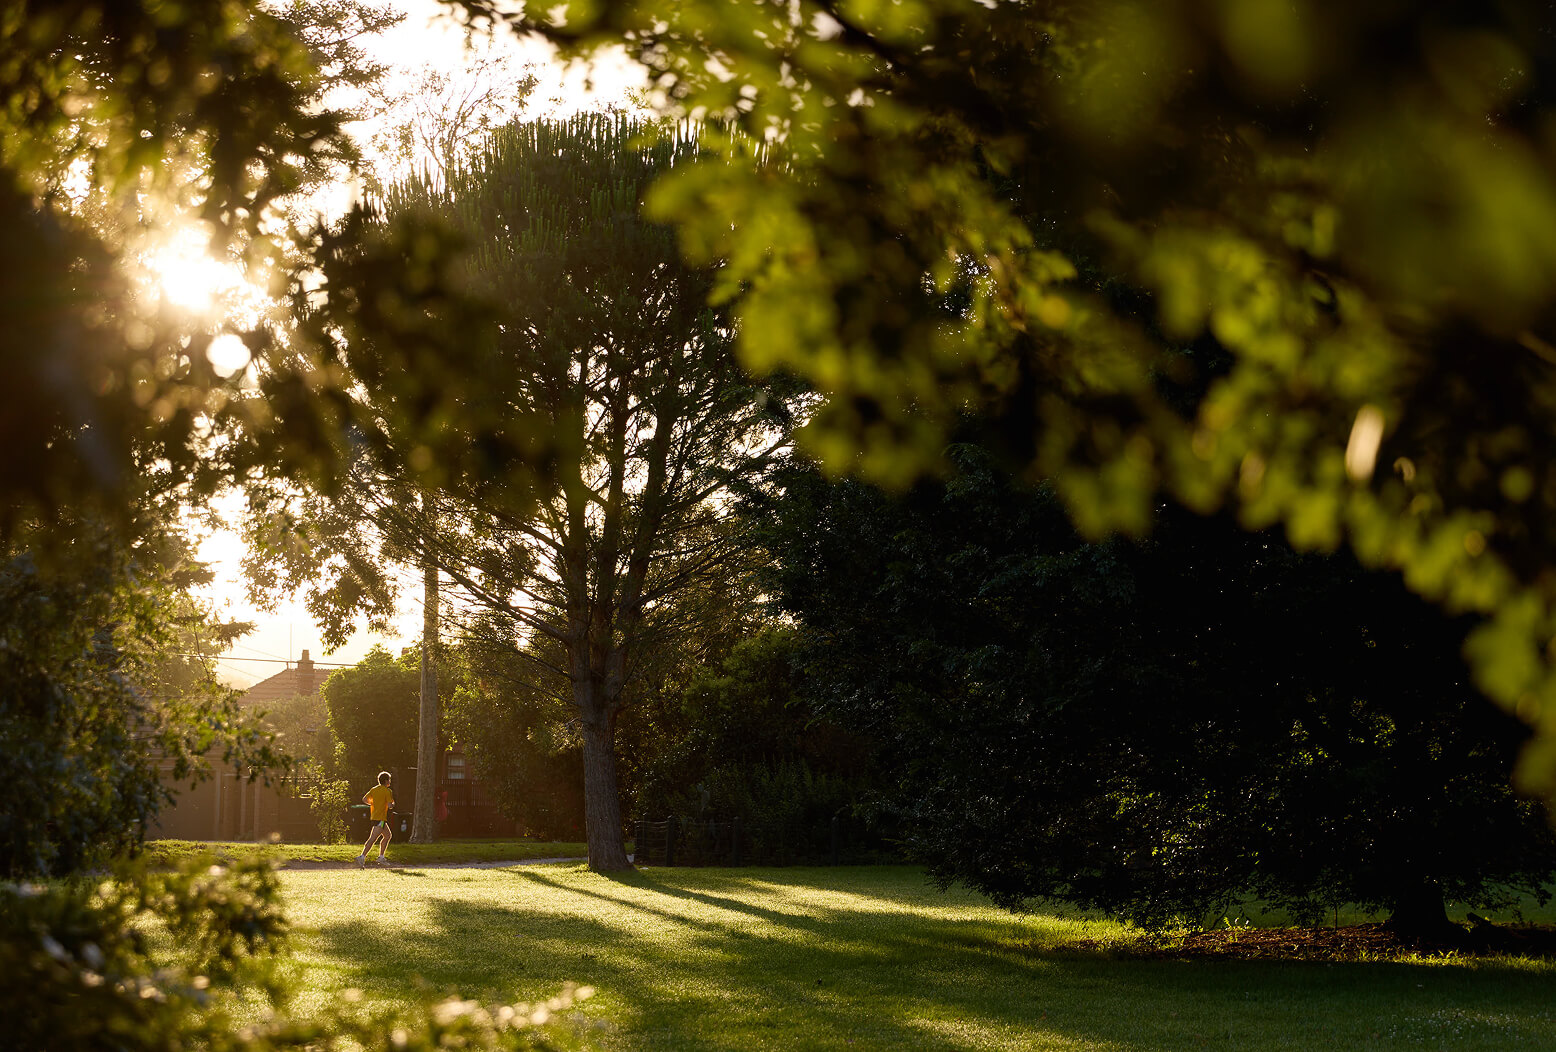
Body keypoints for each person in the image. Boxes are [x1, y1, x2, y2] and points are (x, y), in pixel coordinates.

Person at [356, 771, 394, 868]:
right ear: (386, 781)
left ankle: (381, 857)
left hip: (375, 817)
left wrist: (373, 804)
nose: (390, 781)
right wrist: (393, 804)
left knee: (388, 835)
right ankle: (362, 856)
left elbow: (364, 799)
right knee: (373, 839)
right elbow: (390, 806)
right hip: (380, 819)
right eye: (389, 779)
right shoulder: (387, 791)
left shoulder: (374, 789)